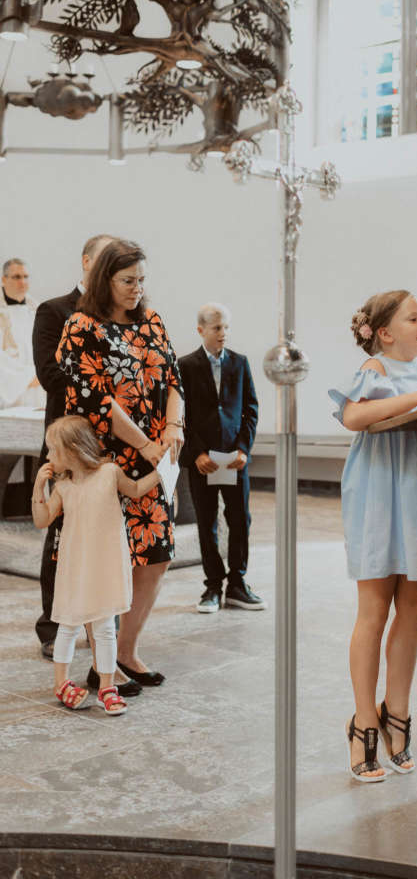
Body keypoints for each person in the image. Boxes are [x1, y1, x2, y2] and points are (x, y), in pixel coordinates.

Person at [328, 290, 417, 782]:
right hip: (380, 492)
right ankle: (362, 721)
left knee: (416, 607)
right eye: (414, 317)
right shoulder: (377, 371)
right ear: (383, 333)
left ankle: (395, 712)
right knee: (375, 611)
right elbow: (355, 416)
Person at [56, 239, 184, 687]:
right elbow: (94, 400)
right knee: (109, 558)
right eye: (127, 281)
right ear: (103, 279)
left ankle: (126, 652)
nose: (136, 289)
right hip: (107, 458)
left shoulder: (151, 320)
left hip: (155, 457)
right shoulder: (81, 326)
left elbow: (172, 377)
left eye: (141, 281)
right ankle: (101, 664)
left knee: (156, 555)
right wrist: (146, 443)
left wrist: (174, 427)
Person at [32, 416, 163, 715]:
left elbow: (135, 489)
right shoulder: (63, 486)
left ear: (72, 450)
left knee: (104, 626)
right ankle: (61, 682)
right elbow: (42, 520)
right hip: (75, 564)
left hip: (104, 562)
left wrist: (165, 472)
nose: (49, 456)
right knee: (68, 624)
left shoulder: (109, 472)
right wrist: (39, 487)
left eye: (53, 450)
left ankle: (107, 687)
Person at [32, 234, 116, 662]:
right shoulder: (54, 310)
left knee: (103, 531)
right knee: (61, 533)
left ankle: (102, 621)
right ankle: (52, 625)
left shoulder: (121, 315)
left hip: (110, 441)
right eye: (104, 261)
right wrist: (105, 394)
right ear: (86, 262)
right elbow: (50, 373)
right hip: (69, 441)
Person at [179, 303, 263, 613]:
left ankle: (237, 584)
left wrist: (243, 448)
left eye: (226, 327)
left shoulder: (239, 364)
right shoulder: (185, 366)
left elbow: (250, 409)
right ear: (201, 330)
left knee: (240, 519)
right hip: (204, 459)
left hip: (234, 457)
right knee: (207, 521)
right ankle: (213, 585)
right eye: (217, 328)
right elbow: (180, 414)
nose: (223, 333)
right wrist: (196, 452)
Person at [0, 258, 44, 409]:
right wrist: (27, 378)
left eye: (26, 277)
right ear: (3, 279)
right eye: (17, 277)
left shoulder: (39, 311)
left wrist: (43, 374)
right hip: (11, 389)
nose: (23, 282)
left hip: (39, 388)